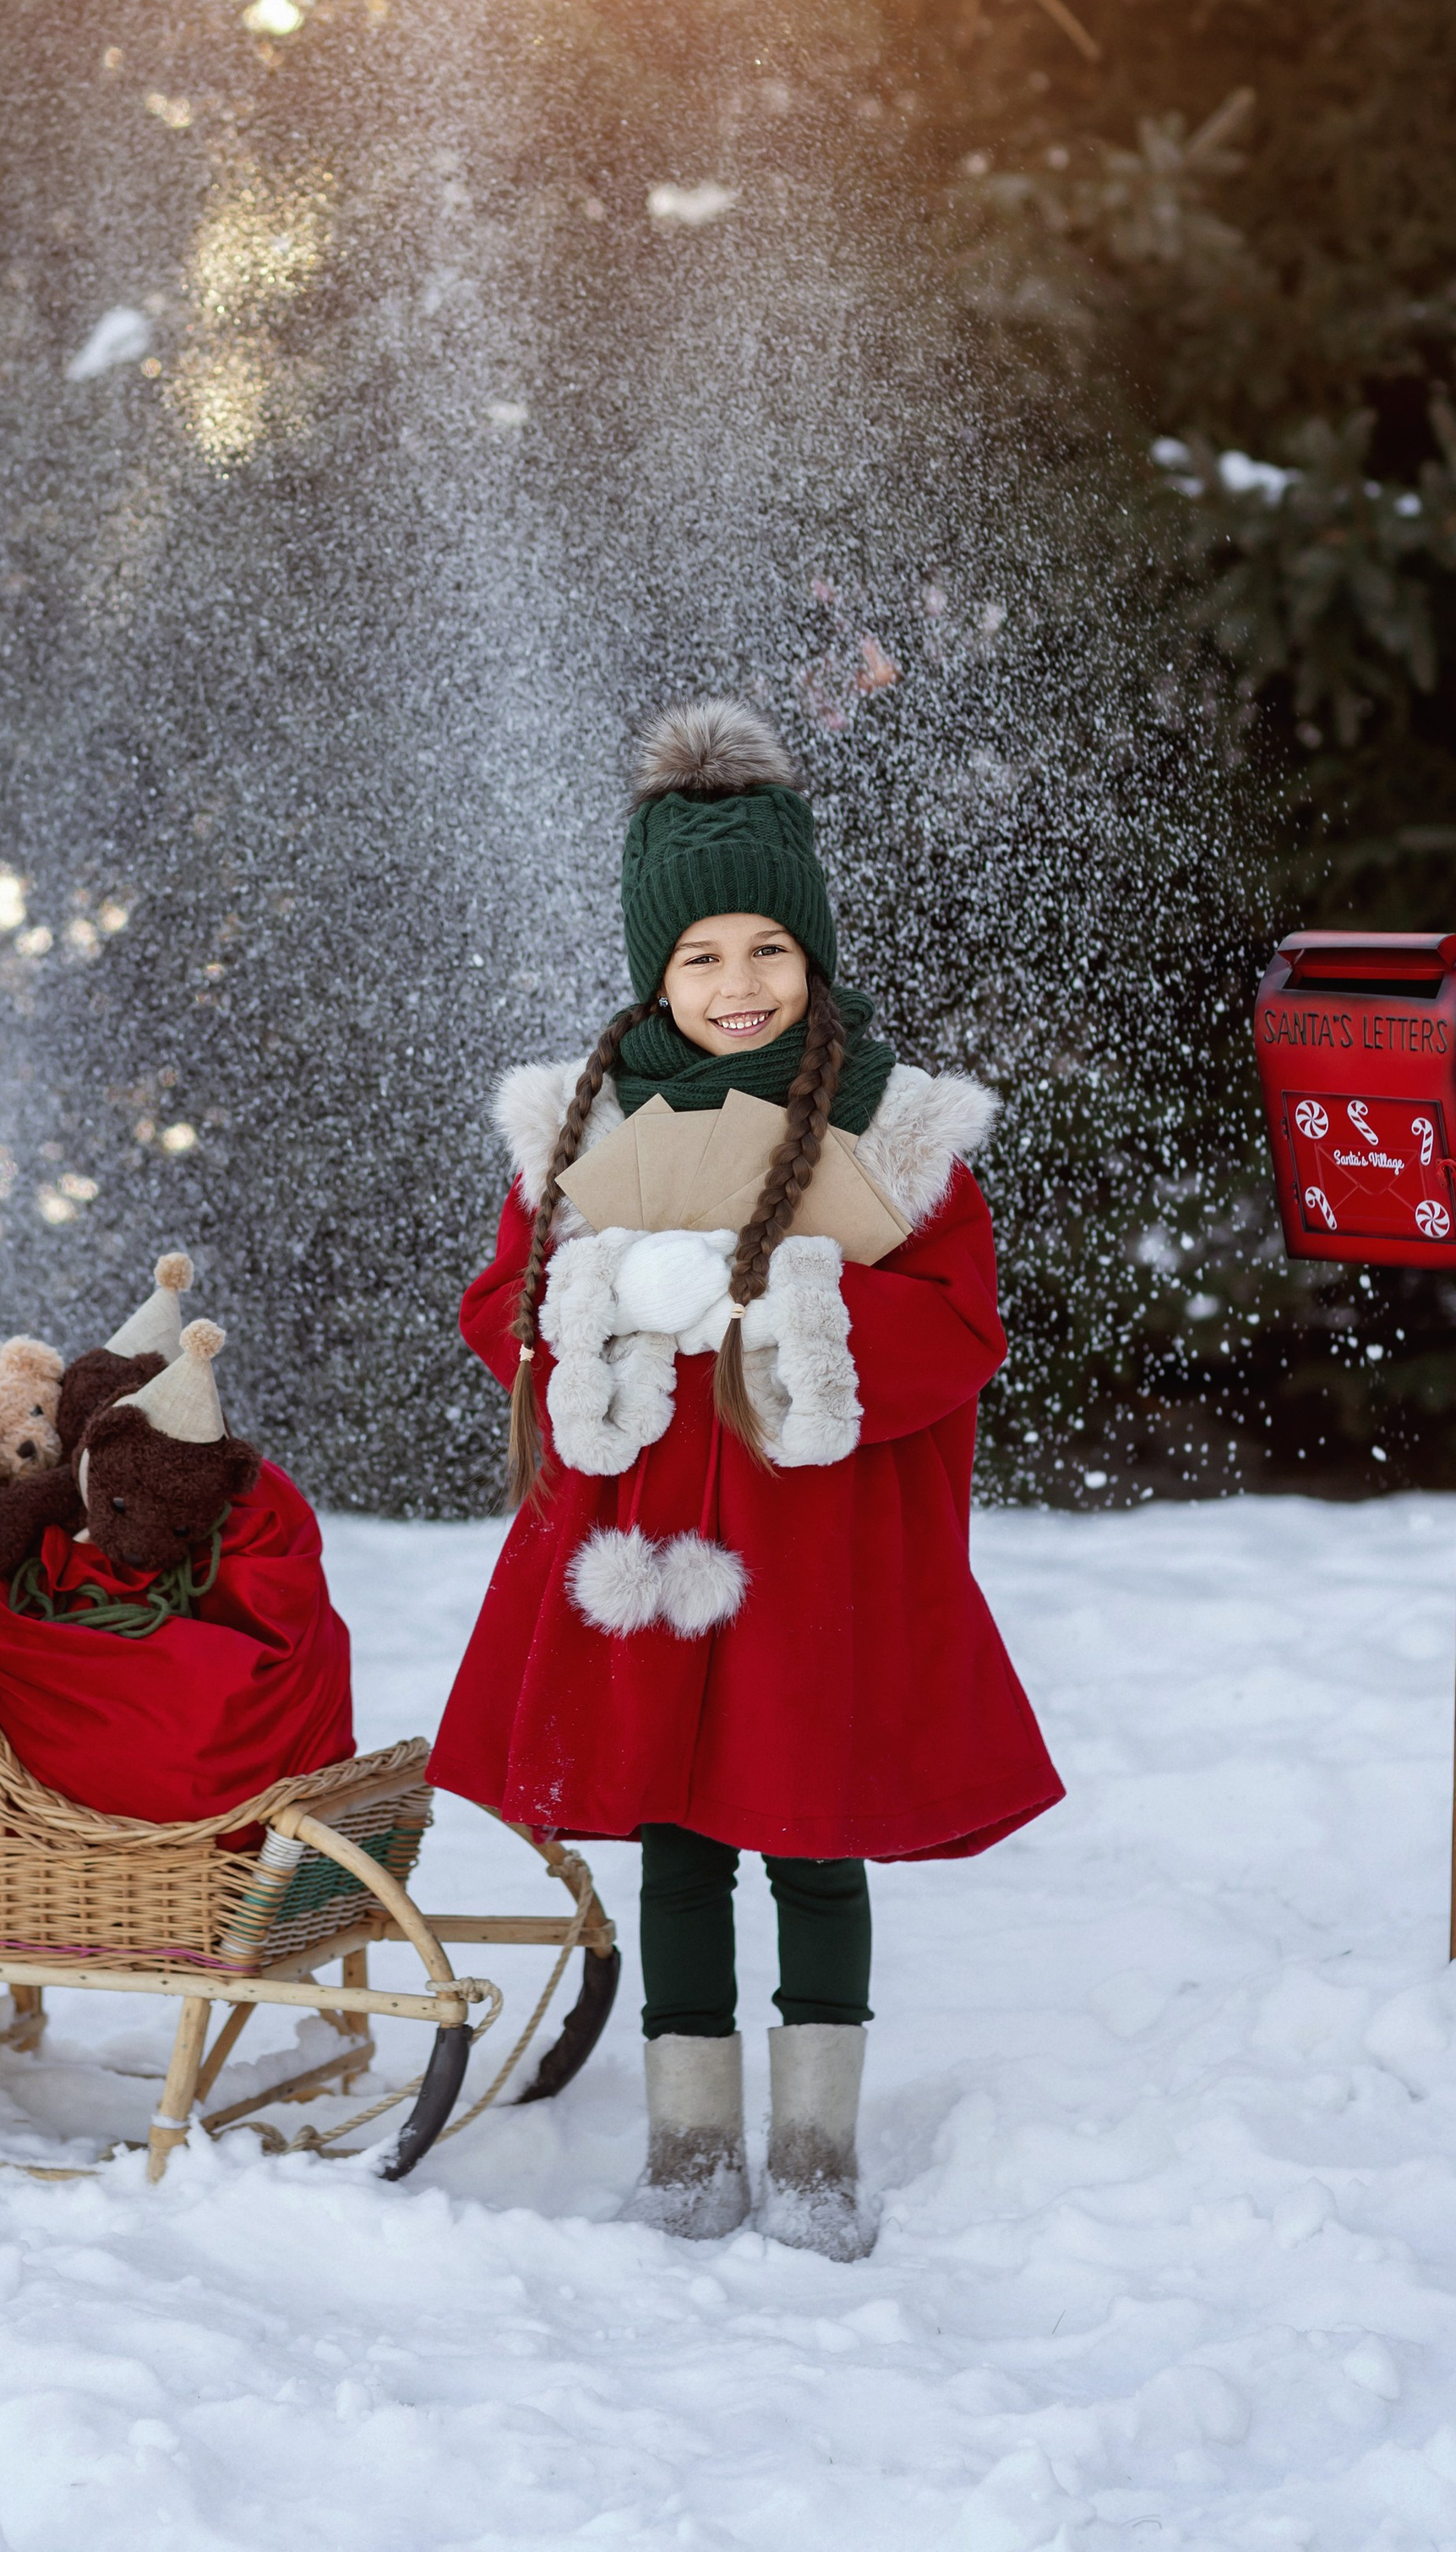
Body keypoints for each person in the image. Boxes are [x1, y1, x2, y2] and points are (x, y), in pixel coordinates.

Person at [428, 699, 1061, 2254]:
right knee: (682, 1836)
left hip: (811, 1542)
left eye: (767, 952)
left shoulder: (894, 1134)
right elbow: (495, 1307)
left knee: (810, 1825)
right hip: (651, 1541)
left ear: (814, 952)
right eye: (702, 956)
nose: (736, 986)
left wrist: (797, 1305)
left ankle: (820, 2145)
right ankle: (694, 2143)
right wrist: (611, 1299)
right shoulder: (582, 1122)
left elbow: (962, 1326)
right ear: (657, 968)